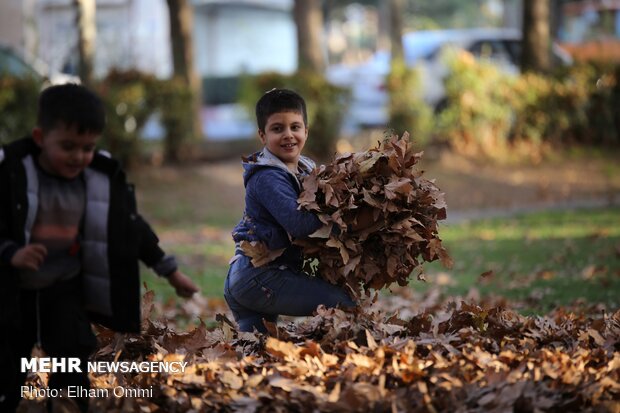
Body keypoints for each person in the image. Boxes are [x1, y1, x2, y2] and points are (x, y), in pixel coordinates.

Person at [0, 84, 199, 413]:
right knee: (9, 358)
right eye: (68, 146)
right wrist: (11, 253)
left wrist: (170, 271)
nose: (78, 156)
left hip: (63, 285)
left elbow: (131, 229)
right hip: (12, 290)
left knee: (73, 352)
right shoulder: (12, 172)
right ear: (39, 137)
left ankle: (68, 404)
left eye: (87, 147)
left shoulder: (97, 180)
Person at [224, 88, 355, 333]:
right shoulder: (266, 177)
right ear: (262, 135)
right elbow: (298, 224)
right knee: (344, 305)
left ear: (306, 130)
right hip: (258, 277)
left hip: (251, 276)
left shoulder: (305, 169)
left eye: (295, 127)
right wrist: (344, 220)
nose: (288, 135)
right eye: (277, 129)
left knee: (258, 353)